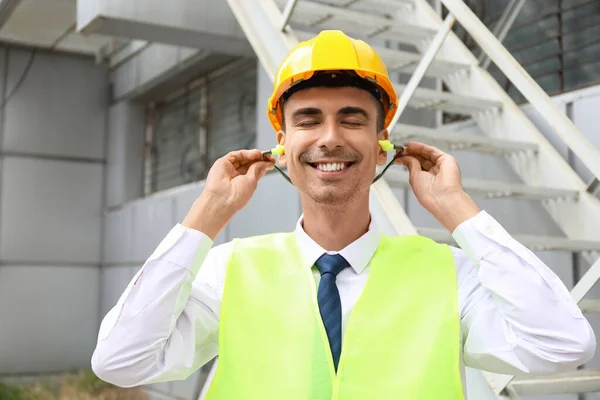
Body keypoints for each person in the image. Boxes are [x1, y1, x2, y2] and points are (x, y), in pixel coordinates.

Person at [91, 30, 595, 399]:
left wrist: (457, 209)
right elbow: (120, 361)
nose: (330, 136)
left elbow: (564, 346)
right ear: (282, 149)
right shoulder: (228, 271)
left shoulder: (450, 274)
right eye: (309, 119)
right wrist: (205, 215)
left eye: (351, 119)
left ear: (381, 149)